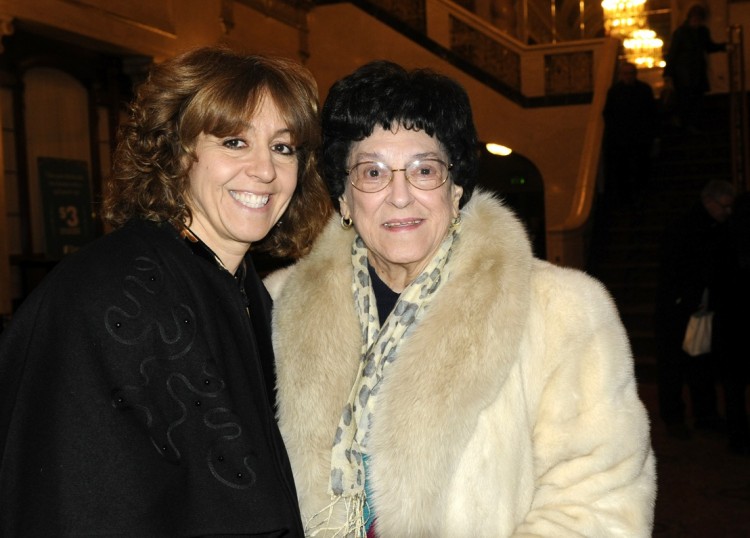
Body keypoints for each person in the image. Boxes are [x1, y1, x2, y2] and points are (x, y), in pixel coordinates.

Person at [265, 60, 656, 537]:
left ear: (456, 188)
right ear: (344, 197)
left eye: (424, 170)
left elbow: (600, 501)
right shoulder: (277, 308)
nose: (400, 195)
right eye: (372, 172)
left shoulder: (561, 311)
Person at [0, 45, 332, 536]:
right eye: (234, 142)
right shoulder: (110, 291)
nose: (265, 170)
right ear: (179, 152)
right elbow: (69, 503)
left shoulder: (246, 291)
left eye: (283, 147)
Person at [654, 179, 735, 439]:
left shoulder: (709, 227)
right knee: (676, 364)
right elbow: (675, 270)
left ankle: (703, 414)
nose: (727, 212)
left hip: (695, 306)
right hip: (679, 308)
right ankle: (677, 416)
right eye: (724, 206)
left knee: (700, 361)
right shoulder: (686, 229)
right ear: (709, 203)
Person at [712, 190, 750, 455]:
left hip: (731, 321)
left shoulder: (723, 236)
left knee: (734, 385)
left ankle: (737, 437)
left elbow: (715, 280)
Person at [663, 3, 727, 133]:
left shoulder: (702, 32)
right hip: (683, 72)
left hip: (696, 71)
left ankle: (690, 123)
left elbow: (709, 47)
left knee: (695, 99)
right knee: (686, 98)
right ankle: (686, 123)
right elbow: (673, 53)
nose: (696, 21)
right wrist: (668, 73)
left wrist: (724, 47)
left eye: (698, 19)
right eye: (694, 18)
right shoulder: (681, 33)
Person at [602, 61, 658, 207]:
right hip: (622, 139)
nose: (628, 76)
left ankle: (640, 195)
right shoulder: (615, 92)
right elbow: (608, 114)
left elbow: (652, 114)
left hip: (640, 138)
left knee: (641, 168)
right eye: (625, 73)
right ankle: (625, 199)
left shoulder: (644, 90)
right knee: (623, 170)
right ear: (621, 75)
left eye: (631, 73)